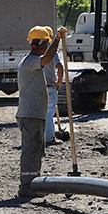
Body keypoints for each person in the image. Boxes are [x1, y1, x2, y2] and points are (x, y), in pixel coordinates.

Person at [16, 24, 67, 197]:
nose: (47, 47)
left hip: (35, 114)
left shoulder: (31, 62)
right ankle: (26, 187)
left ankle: (33, 185)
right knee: (31, 151)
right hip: (30, 115)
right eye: (46, 43)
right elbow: (48, 58)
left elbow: (47, 58)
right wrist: (58, 39)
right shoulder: (29, 62)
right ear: (39, 44)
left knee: (37, 150)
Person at [42, 26, 68, 145]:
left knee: (41, 114)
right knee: (49, 113)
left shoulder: (35, 53)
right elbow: (60, 66)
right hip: (50, 87)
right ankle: (49, 138)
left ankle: (42, 137)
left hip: (39, 88)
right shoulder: (51, 53)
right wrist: (59, 82)